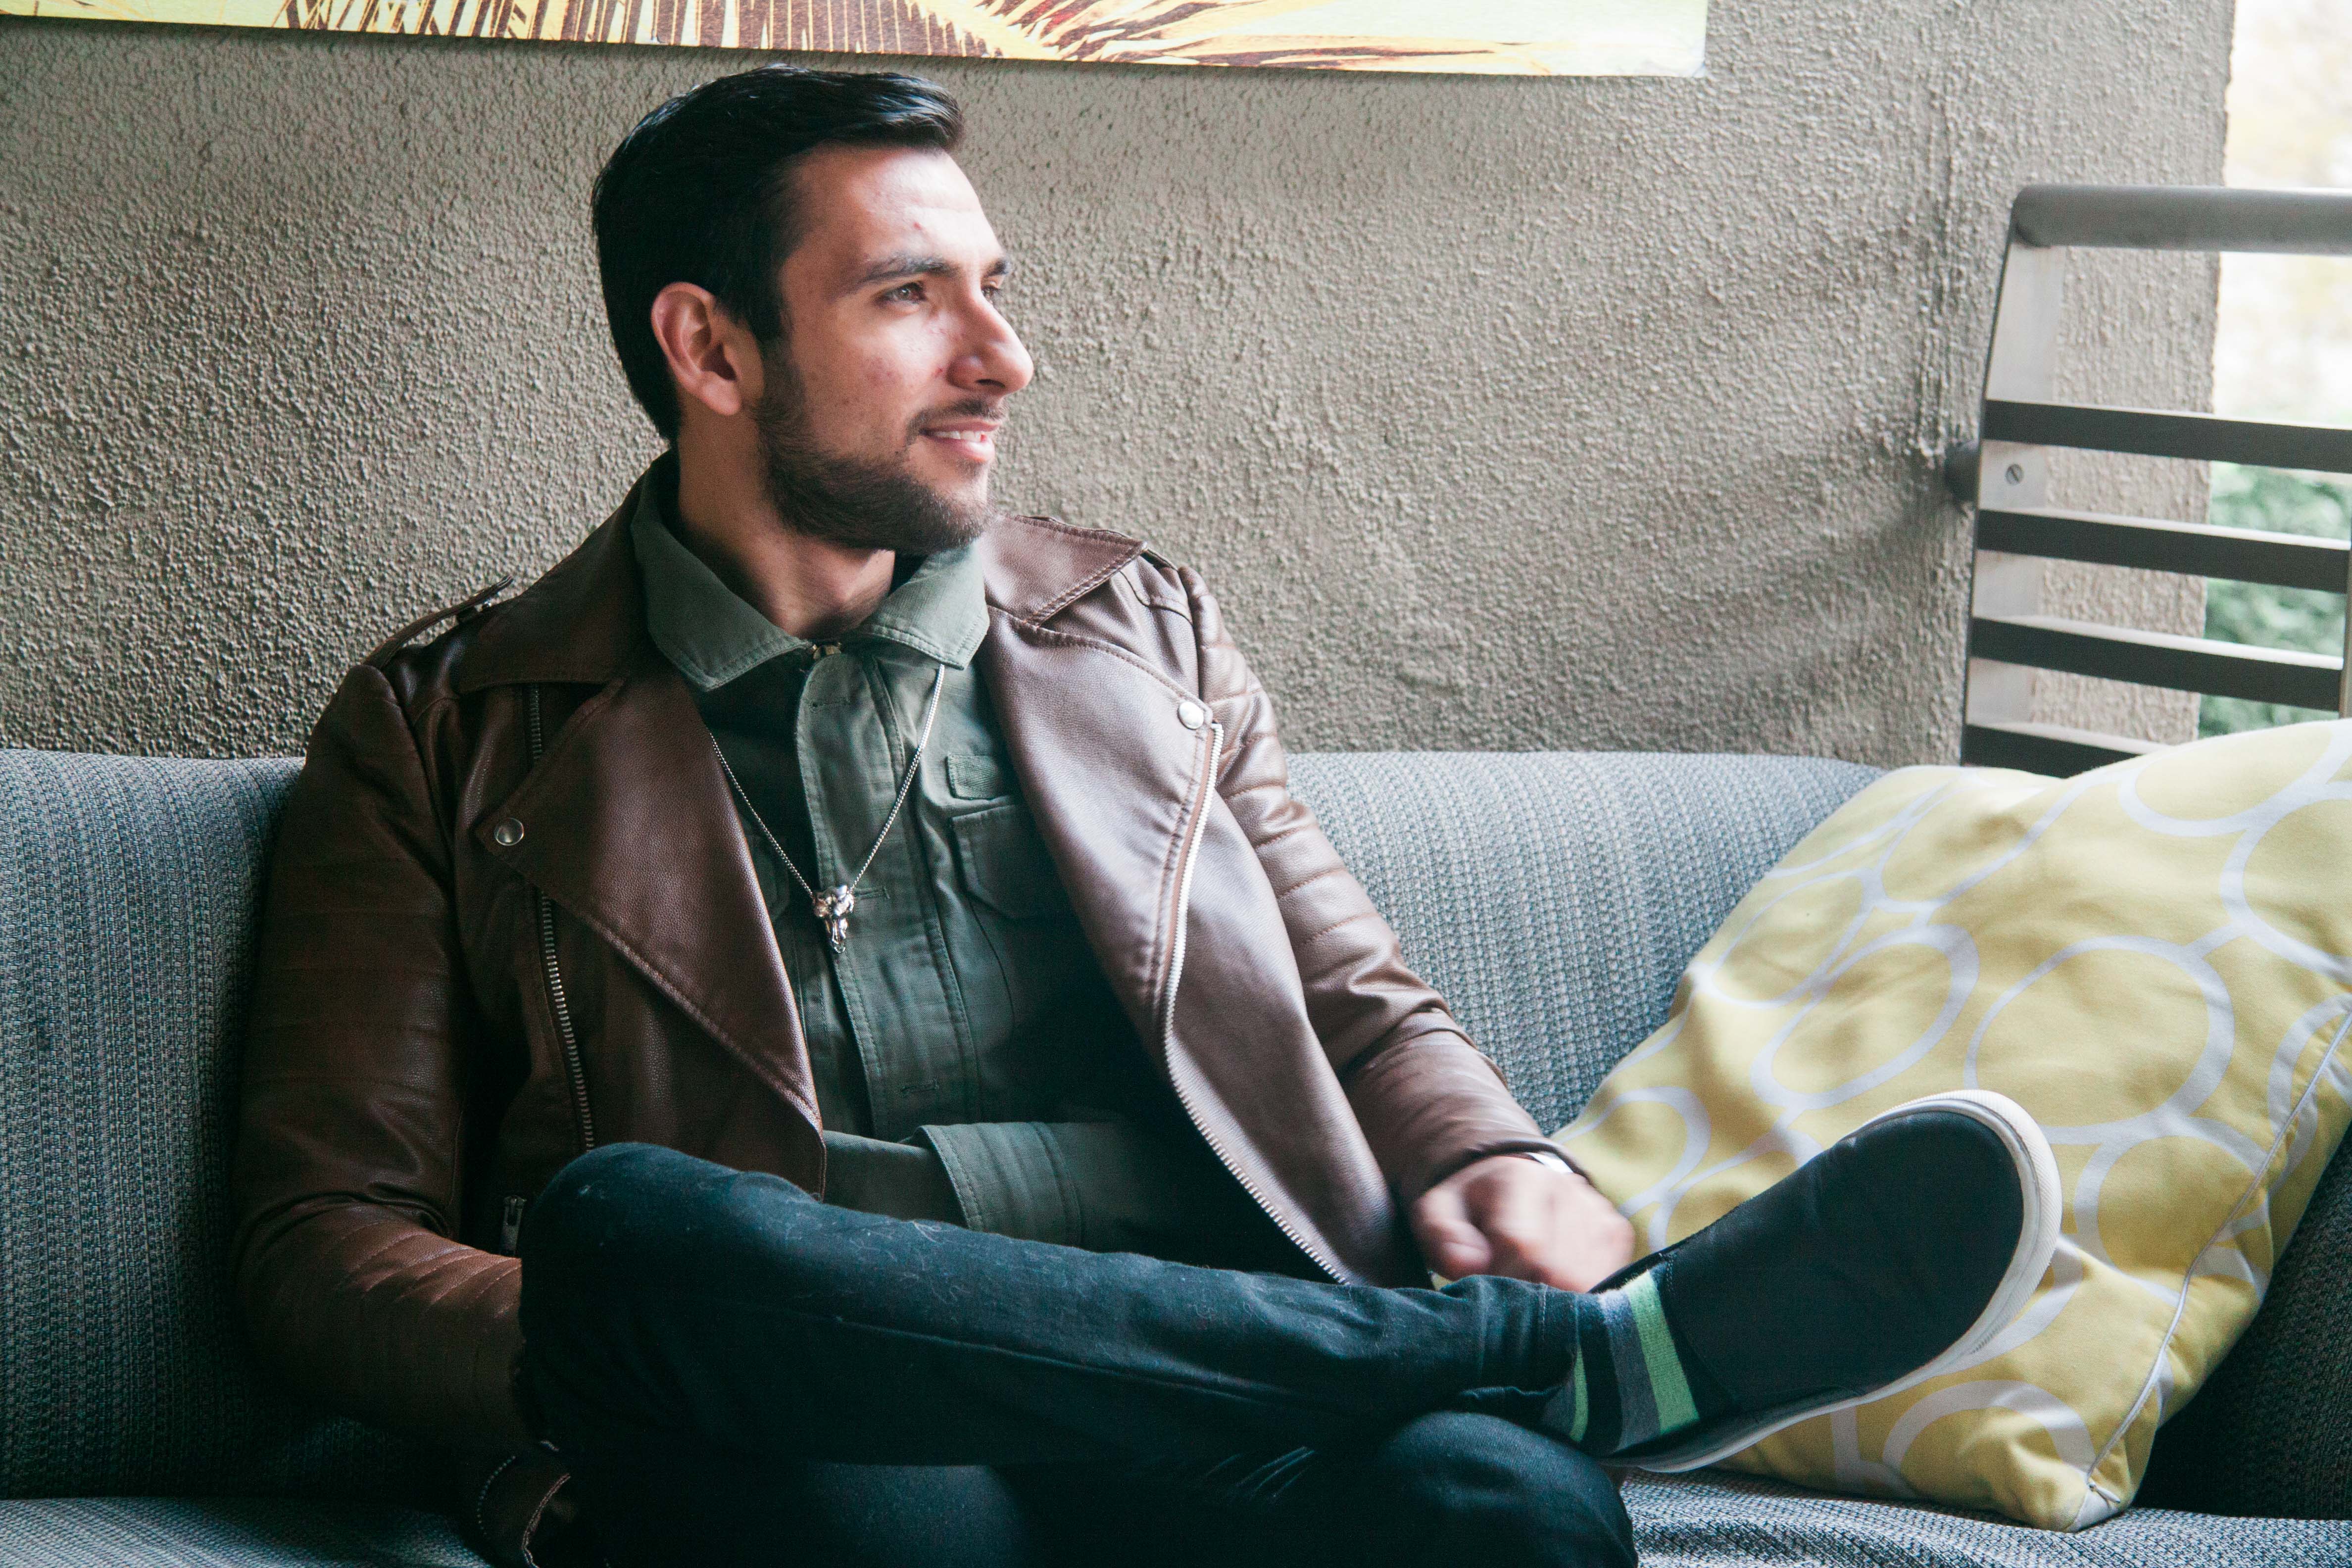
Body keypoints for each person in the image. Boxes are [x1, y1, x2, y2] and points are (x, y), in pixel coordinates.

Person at [230, 65, 2060, 1568]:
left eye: (993, 287)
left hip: (1229, 1405)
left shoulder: (1142, 635)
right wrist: (597, 1349)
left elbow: (1355, 1005)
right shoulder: (450, 726)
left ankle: (1500, 1370)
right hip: (834, 1430)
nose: (1002, 357)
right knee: (628, 1232)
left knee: (1503, 1511)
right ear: (711, 350)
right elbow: (324, 1243)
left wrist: (1494, 1161)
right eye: (909, 298)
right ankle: (1540, 1361)